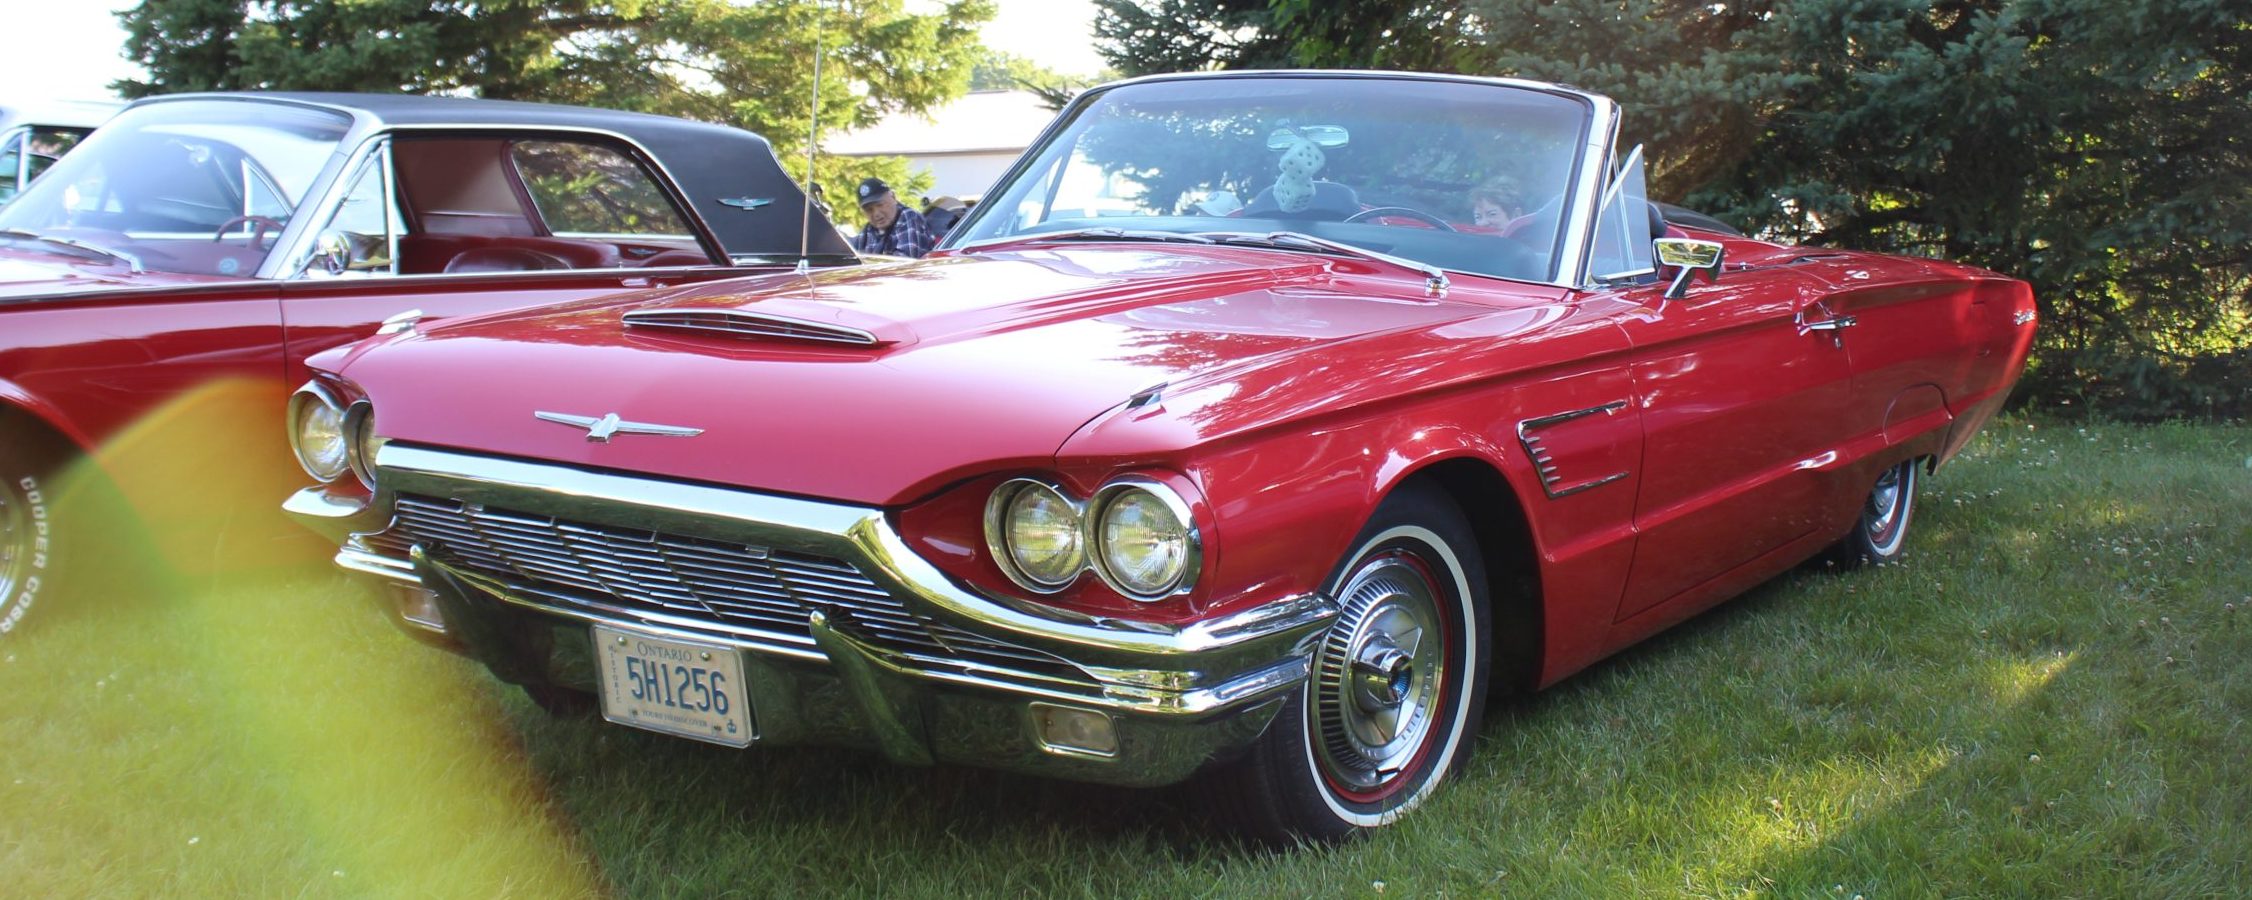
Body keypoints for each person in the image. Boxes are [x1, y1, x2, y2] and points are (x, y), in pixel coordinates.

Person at [852, 177, 938, 258]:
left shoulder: (909, 217)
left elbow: (903, 263)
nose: (876, 214)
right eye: (869, 210)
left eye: (880, 205)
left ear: (893, 197)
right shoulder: (869, 230)